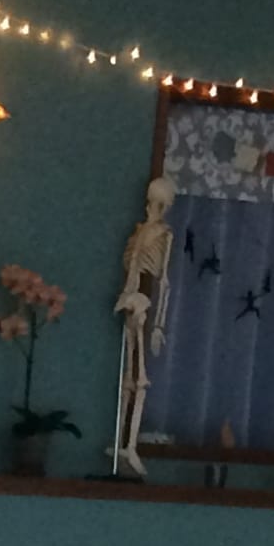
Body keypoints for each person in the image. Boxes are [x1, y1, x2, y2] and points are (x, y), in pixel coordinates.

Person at [108, 176, 175, 478]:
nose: (153, 208)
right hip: (127, 298)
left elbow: (165, 281)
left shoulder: (164, 235)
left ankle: (131, 445)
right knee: (128, 378)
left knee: (140, 376)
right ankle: (121, 443)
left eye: (158, 203)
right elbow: (132, 263)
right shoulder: (138, 233)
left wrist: (159, 324)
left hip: (143, 303)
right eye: (151, 202)